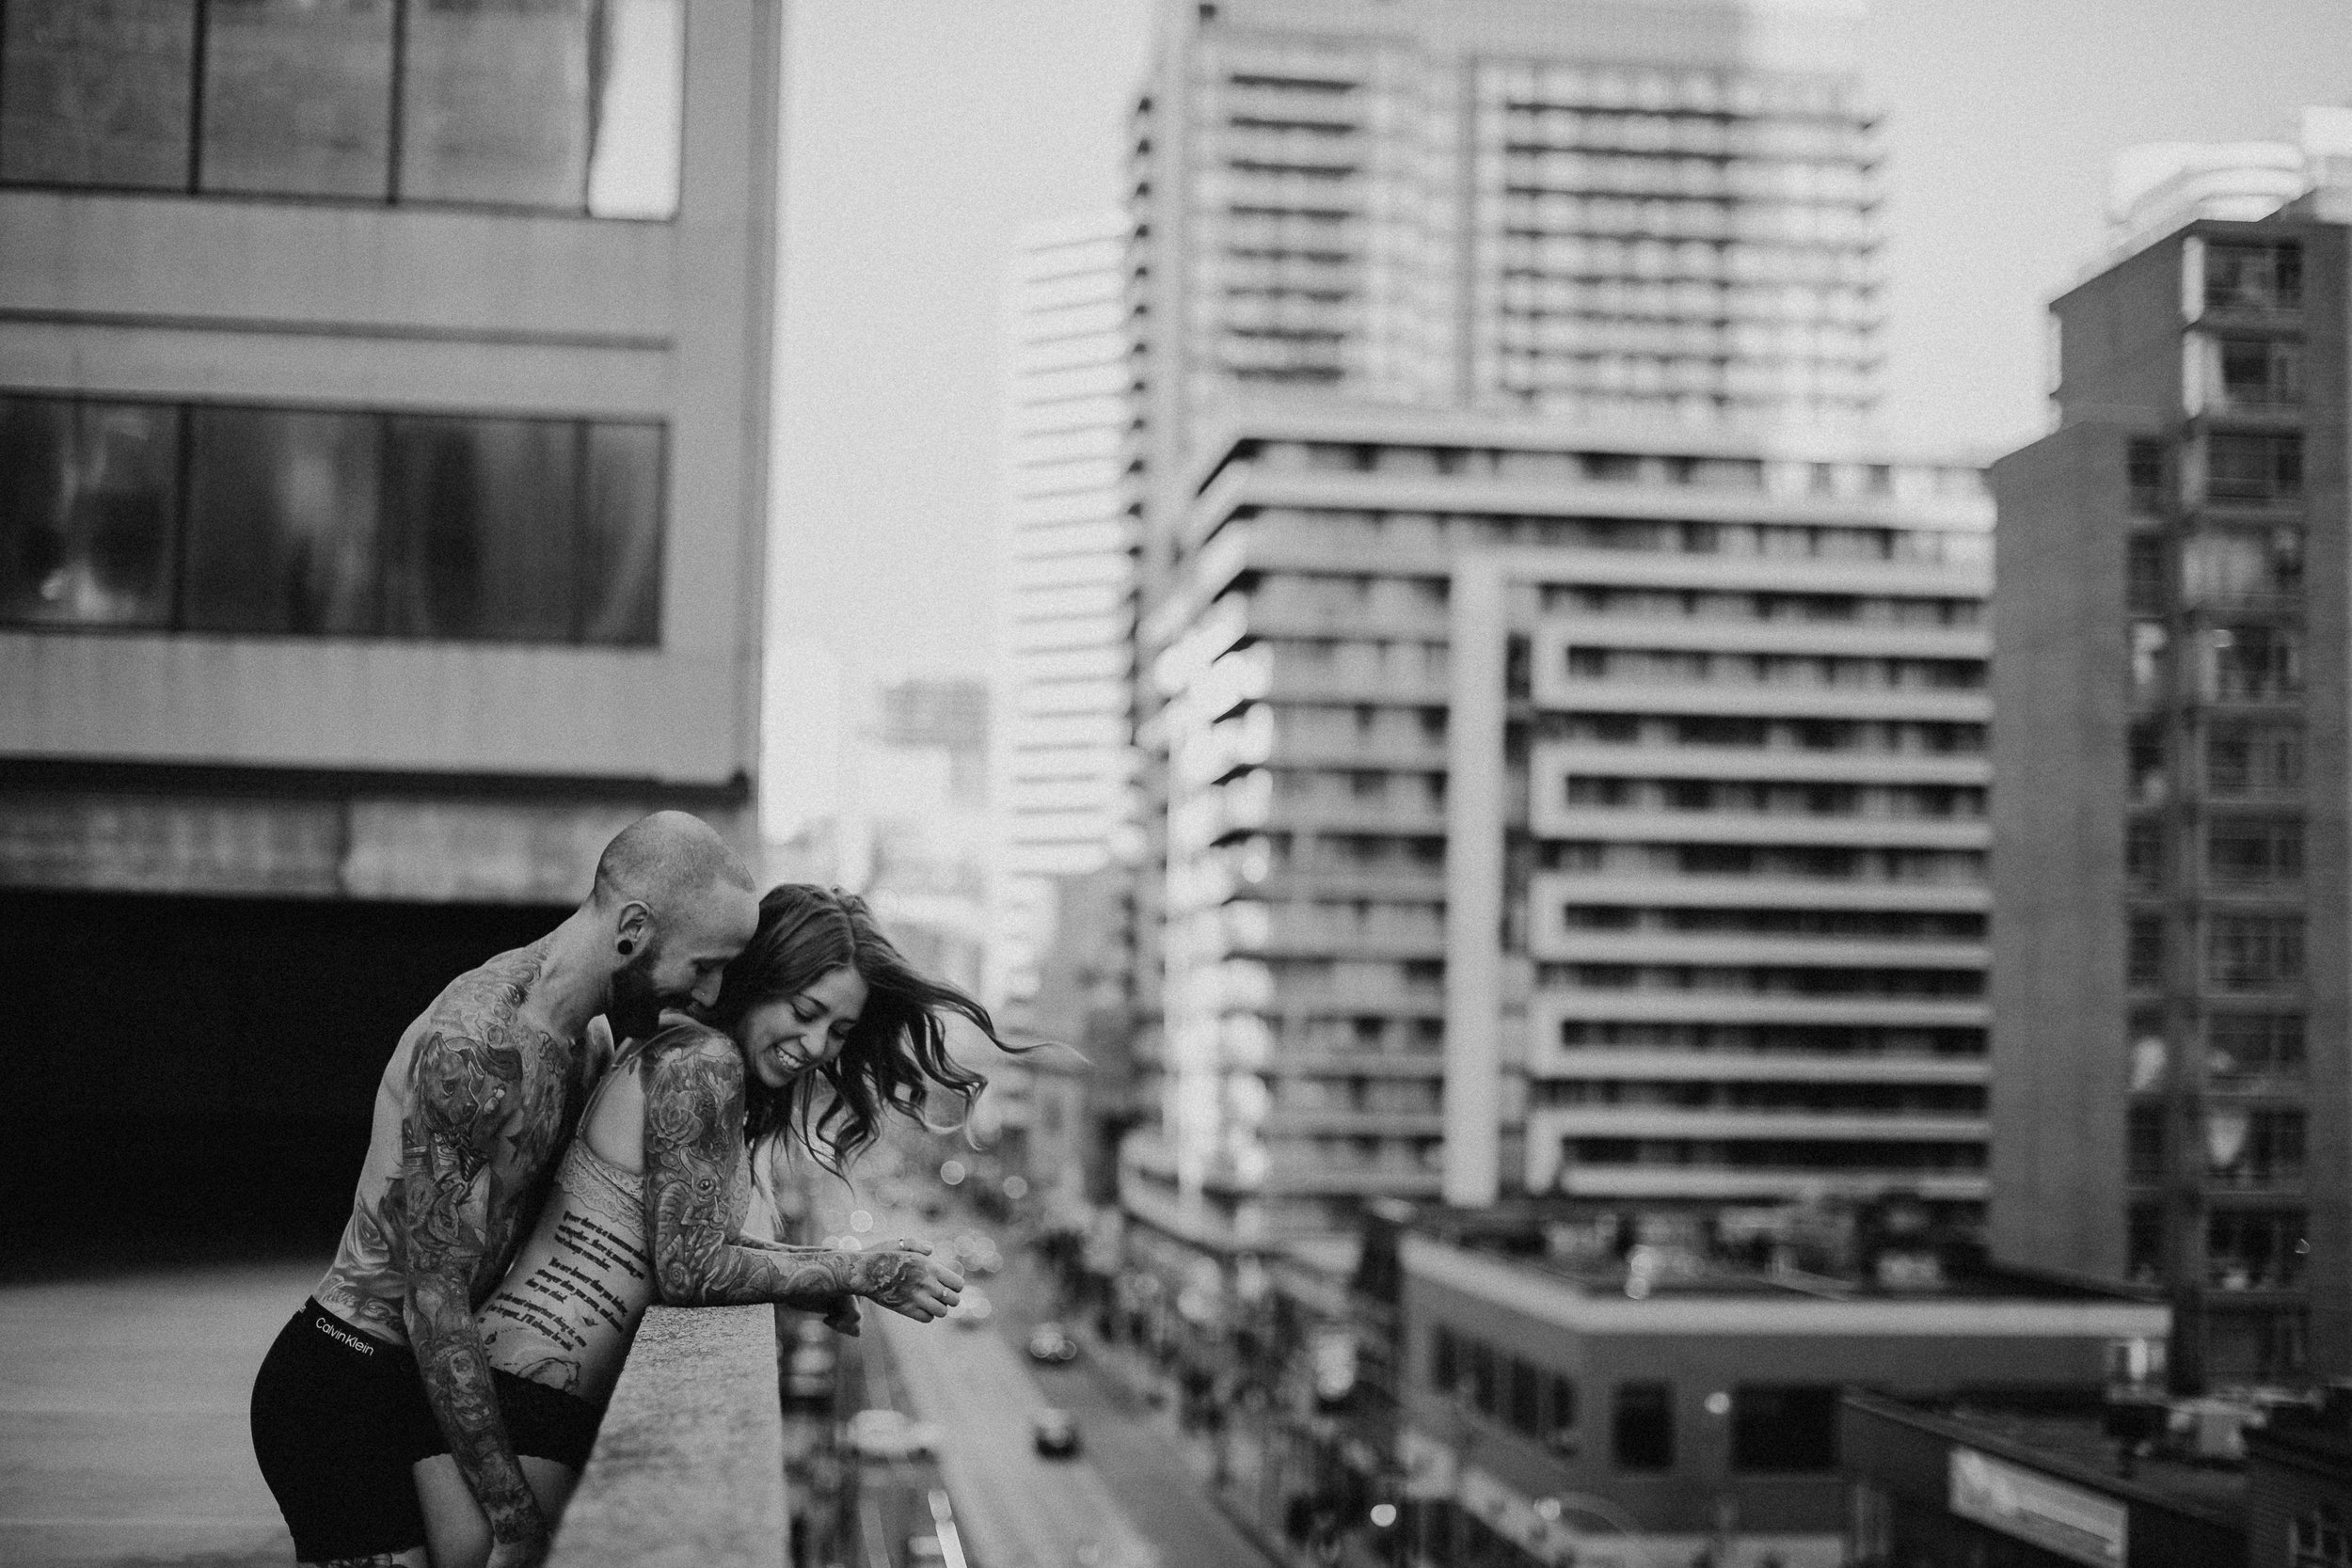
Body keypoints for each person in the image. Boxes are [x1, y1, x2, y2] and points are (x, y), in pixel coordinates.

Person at [414, 884, 1004, 1568]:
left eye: (839, 1032)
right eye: (805, 1011)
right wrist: (861, 1269)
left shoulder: (683, 1050)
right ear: (758, 980)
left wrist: (806, 1279)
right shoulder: (702, 1062)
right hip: (520, 1401)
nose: (815, 1045)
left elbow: (683, 1239)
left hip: (537, 1395)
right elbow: (691, 1267)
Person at [249, 812, 764, 1568]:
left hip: (423, 1388)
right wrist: (511, 1510)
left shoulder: (587, 1039)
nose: (711, 991)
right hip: (346, 1382)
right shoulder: (477, 1043)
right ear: (632, 929)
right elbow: (434, 1300)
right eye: (704, 965)